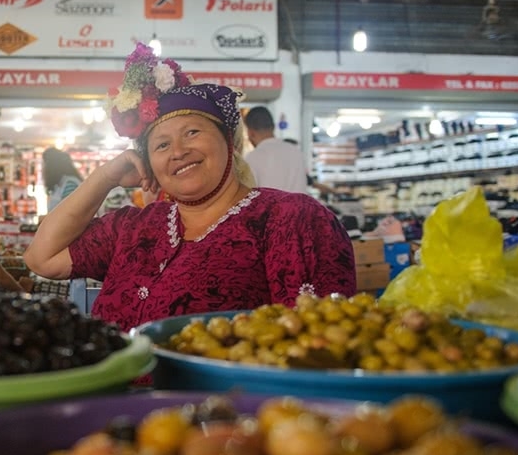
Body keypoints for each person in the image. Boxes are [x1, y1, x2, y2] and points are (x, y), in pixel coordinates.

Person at [24, 43, 356, 332]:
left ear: (229, 140)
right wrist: (105, 177)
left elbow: (317, 344)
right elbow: (42, 258)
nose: (179, 152)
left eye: (193, 133)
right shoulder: (134, 226)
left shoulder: (291, 219)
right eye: (161, 145)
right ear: (149, 162)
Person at [243, 106, 309, 194]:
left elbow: (249, 196)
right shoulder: (295, 152)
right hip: (300, 207)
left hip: (270, 208)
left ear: (250, 133)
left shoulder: (253, 157)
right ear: (273, 127)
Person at [42, 147, 83, 212]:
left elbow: (69, 213)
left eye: (44, 164)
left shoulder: (70, 184)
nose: (43, 168)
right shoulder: (60, 185)